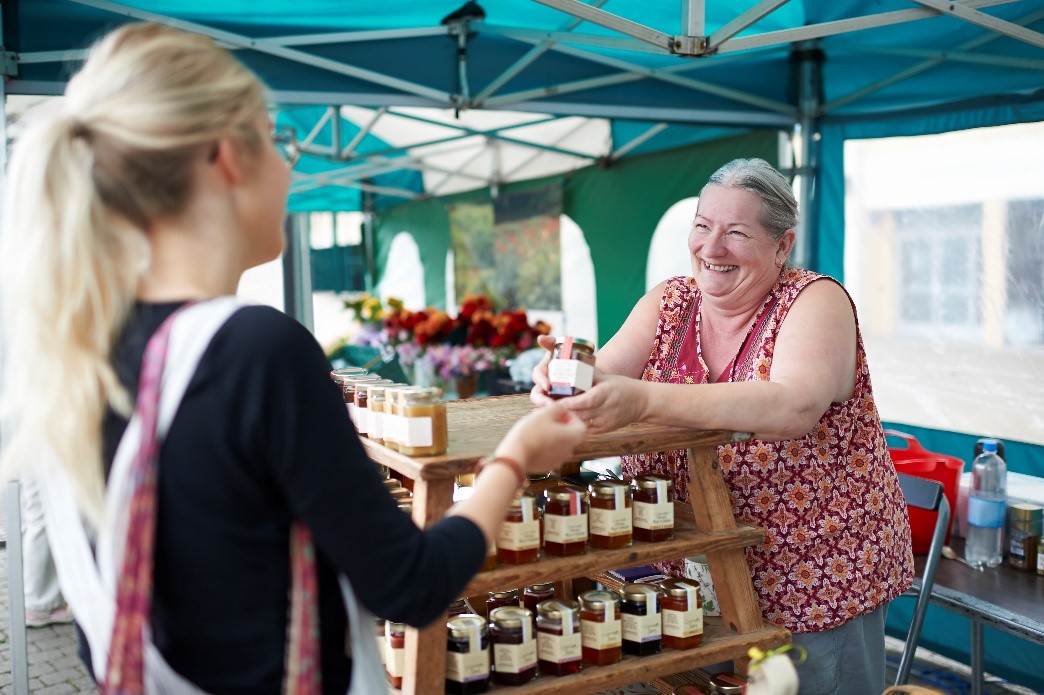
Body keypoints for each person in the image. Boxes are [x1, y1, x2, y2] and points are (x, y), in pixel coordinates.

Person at [0, 22, 586, 693]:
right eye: (280, 141)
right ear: (225, 155)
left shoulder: (80, 355)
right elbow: (412, 584)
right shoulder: (258, 351)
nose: (290, 165)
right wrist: (516, 456)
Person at [532, 158, 914, 695]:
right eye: (703, 226)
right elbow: (606, 372)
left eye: (737, 233)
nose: (712, 248)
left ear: (782, 246)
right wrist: (562, 375)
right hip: (689, 575)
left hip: (809, 576)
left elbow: (791, 407)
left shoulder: (814, 300)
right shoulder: (670, 302)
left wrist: (641, 398)